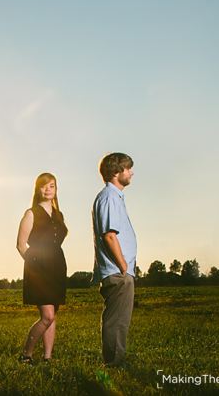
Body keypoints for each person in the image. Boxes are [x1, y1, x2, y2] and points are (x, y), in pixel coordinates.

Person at [16, 172, 68, 363]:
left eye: (52, 186)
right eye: (44, 185)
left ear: (56, 189)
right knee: (47, 316)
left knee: (52, 315)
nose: (48, 189)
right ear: (38, 189)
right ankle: (26, 355)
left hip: (57, 267)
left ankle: (48, 358)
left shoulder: (58, 215)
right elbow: (21, 245)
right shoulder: (31, 213)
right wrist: (34, 267)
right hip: (39, 270)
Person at [92, 152, 137, 368]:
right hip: (117, 272)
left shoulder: (114, 196)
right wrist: (123, 266)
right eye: (128, 168)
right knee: (116, 320)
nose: (131, 172)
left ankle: (116, 361)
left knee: (120, 320)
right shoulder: (109, 197)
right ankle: (114, 363)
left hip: (119, 271)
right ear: (116, 172)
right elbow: (109, 235)